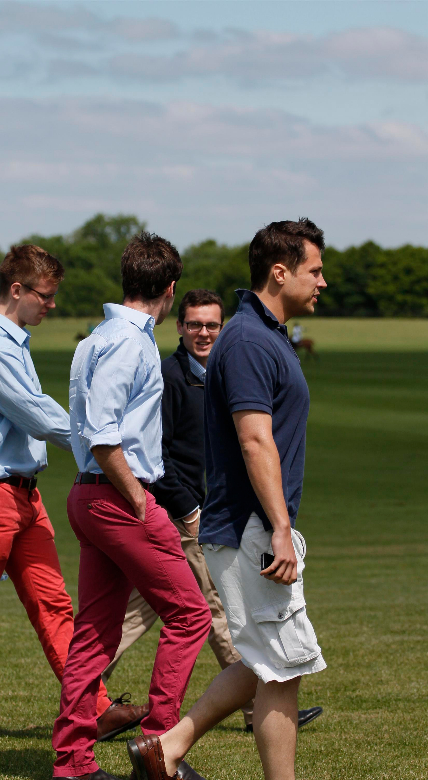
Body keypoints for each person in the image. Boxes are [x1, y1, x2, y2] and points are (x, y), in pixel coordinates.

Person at [0, 244, 141, 748]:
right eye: (46, 296)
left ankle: (95, 710)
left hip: (20, 500)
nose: (51, 305)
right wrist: (103, 440)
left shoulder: (11, 341)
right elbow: (36, 414)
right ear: (17, 290)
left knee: (55, 608)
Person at [127, 218, 328, 780]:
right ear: (279, 271)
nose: (323, 281)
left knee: (265, 662)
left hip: (251, 528)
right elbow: (253, 436)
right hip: (251, 530)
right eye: (315, 270)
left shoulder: (261, 335)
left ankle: (164, 750)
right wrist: (280, 529)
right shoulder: (248, 340)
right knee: (283, 669)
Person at [51, 232, 212, 780]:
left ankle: (73, 762)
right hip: (118, 497)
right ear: (169, 290)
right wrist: (142, 501)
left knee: (95, 631)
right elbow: (102, 433)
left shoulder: (97, 336)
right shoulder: (130, 340)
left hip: (89, 494)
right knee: (190, 615)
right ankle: (157, 749)